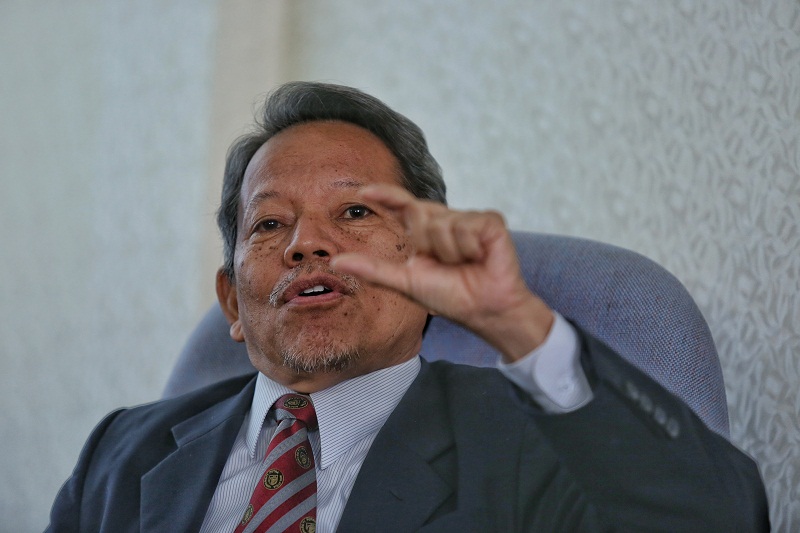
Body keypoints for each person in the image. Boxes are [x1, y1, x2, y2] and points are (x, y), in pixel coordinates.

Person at [48, 82, 769, 532]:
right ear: (232, 301)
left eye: (354, 211)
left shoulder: (529, 438)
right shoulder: (122, 452)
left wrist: (522, 326)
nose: (307, 245)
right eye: (270, 224)